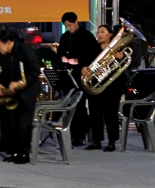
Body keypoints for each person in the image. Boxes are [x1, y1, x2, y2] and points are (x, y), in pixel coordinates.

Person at [0, 29, 41, 163]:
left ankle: (24, 153)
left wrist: (19, 83)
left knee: (23, 124)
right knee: (12, 124)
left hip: (27, 92)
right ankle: (14, 152)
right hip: (13, 93)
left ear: (8, 42)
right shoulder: (4, 55)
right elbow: (3, 72)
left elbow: (34, 72)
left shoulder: (25, 50)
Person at [53, 11, 101, 146]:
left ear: (76, 22)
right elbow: (60, 54)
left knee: (80, 106)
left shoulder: (86, 36)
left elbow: (93, 55)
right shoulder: (64, 37)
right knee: (71, 105)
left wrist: (78, 62)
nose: (68, 28)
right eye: (66, 26)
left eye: (70, 25)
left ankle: (81, 135)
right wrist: (62, 59)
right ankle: (73, 134)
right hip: (69, 75)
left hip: (83, 74)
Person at [86, 25, 127, 152]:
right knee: (95, 114)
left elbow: (127, 64)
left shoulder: (118, 49)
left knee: (111, 114)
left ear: (110, 34)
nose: (99, 34)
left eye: (103, 32)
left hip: (112, 87)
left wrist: (121, 58)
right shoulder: (92, 49)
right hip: (96, 85)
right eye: (98, 32)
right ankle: (96, 141)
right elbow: (86, 64)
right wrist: (84, 69)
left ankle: (111, 142)